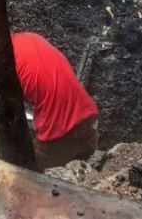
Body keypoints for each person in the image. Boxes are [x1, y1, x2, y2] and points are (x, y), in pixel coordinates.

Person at [11, 31, 99, 169]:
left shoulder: (5, 64)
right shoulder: (30, 36)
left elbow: (10, 114)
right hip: (90, 119)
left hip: (58, 135)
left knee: (31, 174)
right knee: (85, 175)